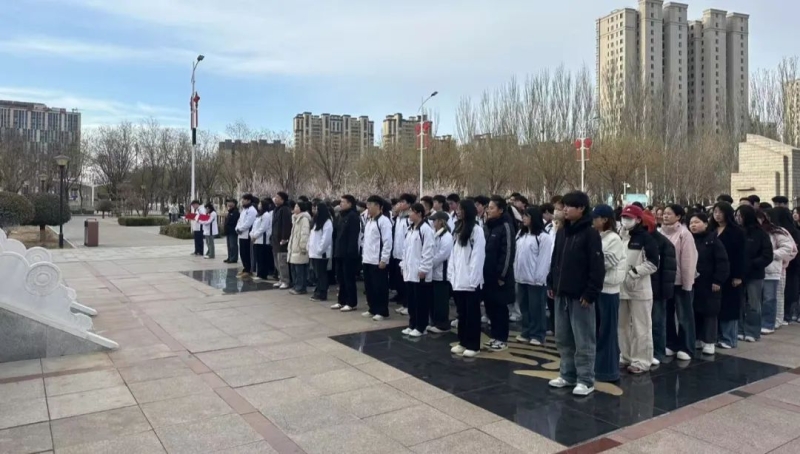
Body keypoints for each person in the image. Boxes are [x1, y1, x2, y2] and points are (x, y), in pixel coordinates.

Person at [547, 191, 605, 396]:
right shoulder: (562, 232)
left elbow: (597, 267)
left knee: (583, 340)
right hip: (561, 293)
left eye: (569, 206)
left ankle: (586, 379)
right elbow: (555, 260)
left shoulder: (590, 234)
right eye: (564, 206)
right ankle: (567, 374)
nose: (564, 209)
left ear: (581, 208)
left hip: (581, 296)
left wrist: (590, 293)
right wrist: (551, 282)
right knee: (563, 338)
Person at [618, 204, 659, 374]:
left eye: (629, 218)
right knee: (622, 326)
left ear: (638, 220)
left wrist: (634, 273)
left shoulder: (646, 238)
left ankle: (642, 360)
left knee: (641, 327)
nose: (625, 220)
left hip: (639, 289)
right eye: (623, 217)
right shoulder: (620, 236)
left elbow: (653, 263)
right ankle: (625, 355)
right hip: (621, 288)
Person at [592, 204, 626, 381]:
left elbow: (607, 262)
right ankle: (597, 367)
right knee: (597, 330)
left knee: (607, 332)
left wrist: (590, 258)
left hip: (609, 290)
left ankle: (608, 370)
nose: (592, 221)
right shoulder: (596, 236)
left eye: (595, 218)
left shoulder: (613, 239)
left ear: (605, 219)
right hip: (597, 289)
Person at [448, 200, 486, 358]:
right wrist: (451, 274)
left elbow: (478, 256)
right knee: (461, 314)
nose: (458, 211)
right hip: (458, 280)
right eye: (458, 209)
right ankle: (462, 341)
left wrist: (473, 279)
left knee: (472, 315)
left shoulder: (477, 230)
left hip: (470, 282)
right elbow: (454, 254)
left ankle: (473, 345)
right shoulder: (458, 229)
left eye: (461, 209)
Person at [661, 204, 698, 361]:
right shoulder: (659, 232)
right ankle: (671, 343)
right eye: (664, 213)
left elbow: (688, 260)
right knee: (667, 314)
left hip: (681, 281)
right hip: (665, 281)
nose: (665, 216)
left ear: (678, 217)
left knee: (684, 316)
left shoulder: (684, 234)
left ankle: (687, 347)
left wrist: (687, 283)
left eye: (669, 213)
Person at [688, 212, 729, 356]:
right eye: (691, 223)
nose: (693, 225)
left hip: (710, 282)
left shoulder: (713, 241)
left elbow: (722, 262)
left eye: (697, 222)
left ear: (705, 224)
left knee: (710, 312)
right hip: (693, 282)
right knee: (695, 311)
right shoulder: (689, 240)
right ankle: (698, 338)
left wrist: (718, 280)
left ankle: (710, 341)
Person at [514, 205, 554, 347]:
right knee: (524, 307)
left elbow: (544, 260)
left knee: (536, 308)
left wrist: (539, 278)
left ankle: (538, 334)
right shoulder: (521, 234)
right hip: (521, 277)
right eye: (523, 215)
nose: (524, 218)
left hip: (535, 280)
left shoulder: (543, 237)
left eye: (527, 216)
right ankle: (526, 331)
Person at [708, 202, 746, 349]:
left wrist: (738, 276)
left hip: (731, 273)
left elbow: (741, 255)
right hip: (714, 273)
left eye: (720, 212)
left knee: (730, 306)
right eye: (715, 212)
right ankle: (717, 336)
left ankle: (729, 338)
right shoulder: (711, 230)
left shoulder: (736, 232)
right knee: (716, 306)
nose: (717, 215)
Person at [641, 210, 676, 365]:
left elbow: (668, 271)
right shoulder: (636, 239)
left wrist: (664, 292)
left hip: (657, 290)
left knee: (657, 323)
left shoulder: (663, 243)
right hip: (639, 289)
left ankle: (658, 352)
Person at [482, 196, 516, 352]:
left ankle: (502, 339)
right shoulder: (489, 226)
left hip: (500, 277)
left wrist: (502, 275)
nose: (488, 210)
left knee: (500, 308)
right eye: (488, 208)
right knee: (490, 307)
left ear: (501, 210)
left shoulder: (506, 226)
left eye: (492, 208)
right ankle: (494, 336)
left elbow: (508, 253)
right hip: (487, 275)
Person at [736, 205, 773, 342]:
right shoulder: (737, 231)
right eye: (736, 215)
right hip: (738, 274)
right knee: (738, 303)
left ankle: (752, 331)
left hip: (754, 274)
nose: (738, 218)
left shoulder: (760, 233)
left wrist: (752, 264)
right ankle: (739, 329)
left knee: (753, 304)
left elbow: (767, 255)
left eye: (740, 216)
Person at [400, 203, 435, 337]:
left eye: (412, 212)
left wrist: (424, 268)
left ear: (419, 213)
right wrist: (403, 265)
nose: (409, 214)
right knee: (412, 300)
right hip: (409, 271)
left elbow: (428, 251)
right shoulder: (410, 229)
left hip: (420, 272)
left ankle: (421, 326)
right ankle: (412, 324)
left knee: (421, 301)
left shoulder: (425, 229)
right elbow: (405, 249)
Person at [758, 209, 795, 334]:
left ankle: (772, 322)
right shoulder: (752, 231)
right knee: (758, 299)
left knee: (772, 297)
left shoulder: (777, 231)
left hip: (772, 269)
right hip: (756, 269)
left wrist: (770, 255)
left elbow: (789, 248)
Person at [362, 195, 393, 320]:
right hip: (367, 258)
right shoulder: (369, 221)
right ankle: (372, 308)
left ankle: (382, 310)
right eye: (367, 205)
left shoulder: (384, 221)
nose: (368, 208)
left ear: (378, 206)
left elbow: (387, 242)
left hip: (377, 260)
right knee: (369, 286)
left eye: (370, 205)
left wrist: (384, 259)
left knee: (379, 287)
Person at [771, 207, 800, 325]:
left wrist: (783, 259)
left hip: (789, 266)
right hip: (785, 266)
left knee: (785, 292)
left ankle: (784, 315)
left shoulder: (786, 232)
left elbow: (793, 250)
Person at [333, 195, 361, 311]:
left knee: (349, 278)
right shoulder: (341, 215)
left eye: (343, 202)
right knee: (341, 278)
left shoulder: (353, 217)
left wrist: (350, 252)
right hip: (339, 251)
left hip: (348, 253)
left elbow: (353, 237)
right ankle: (341, 301)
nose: (341, 204)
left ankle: (351, 302)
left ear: (350, 204)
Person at [428, 211, 453, 333]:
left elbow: (443, 254)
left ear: (441, 221)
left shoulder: (446, 236)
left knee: (441, 300)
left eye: (435, 220)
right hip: (433, 273)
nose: (433, 223)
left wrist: (430, 263)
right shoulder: (435, 234)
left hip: (442, 273)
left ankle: (443, 324)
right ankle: (435, 321)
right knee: (433, 300)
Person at [390, 194, 415, 312]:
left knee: (406, 282)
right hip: (397, 252)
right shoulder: (399, 217)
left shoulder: (408, 218)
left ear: (409, 204)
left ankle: (408, 305)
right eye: (399, 202)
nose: (400, 204)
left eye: (403, 202)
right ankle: (403, 301)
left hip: (404, 254)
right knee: (399, 281)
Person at [308, 202, 334, 302]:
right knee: (317, 274)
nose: (314, 211)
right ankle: (318, 291)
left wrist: (320, 250)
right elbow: (312, 236)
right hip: (314, 252)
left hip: (321, 254)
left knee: (321, 274)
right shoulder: (316, 221)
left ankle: (322, 293)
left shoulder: (327, 222)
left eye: (316, 209)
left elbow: (326, 239)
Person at [287, 201, 312, 295]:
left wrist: (302, 246)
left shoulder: (304, 219)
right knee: (295, 269)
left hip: (300, 248)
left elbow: (304, 234)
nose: (295, 208)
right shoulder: (295, 218)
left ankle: (300, 287)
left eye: (297, 207)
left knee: (300, 270)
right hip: (294, 247)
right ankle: (296, 286)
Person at [271, 192, 293, 289]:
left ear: (282, 199)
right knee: (277, 262)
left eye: (278, 197)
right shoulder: (277, 209)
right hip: (275, 239)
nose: (275, 199)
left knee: (282, 262)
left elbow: (286, 225)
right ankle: (281, 278)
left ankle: (285, 280)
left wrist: (284, 238)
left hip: (282, 240)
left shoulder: (285, 210)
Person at [234, 195, 257, 278]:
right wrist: (237, 228)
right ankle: (245, 268)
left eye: (244, 200)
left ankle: (248, 270)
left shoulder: (252, 210)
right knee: (242, 253)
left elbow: (248, 222)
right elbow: (239, 220)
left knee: (247, 253)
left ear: (249, 201)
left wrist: (241, 228)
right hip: (241, 234)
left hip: (247, 234)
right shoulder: (244, 210)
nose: (242, 201)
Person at [249, 200, 272, 282]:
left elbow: (263, 228)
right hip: (256, 240)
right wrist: (251, 234)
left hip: (262, 240)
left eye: (260, 204)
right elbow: (254, 226)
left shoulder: (266, 215)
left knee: (262, 258)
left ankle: (263, 274)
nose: (258, 205)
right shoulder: (259, 215)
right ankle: (259, 273)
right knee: (258, 257)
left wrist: (255, 235)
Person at [224, 199, 240, 264]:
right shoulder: (230, 211)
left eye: (230, 202)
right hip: (228, 231)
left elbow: (233, 221)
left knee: (233, 245)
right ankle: (230, 257)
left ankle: (234, 258)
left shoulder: (235, 212)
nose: (228, 204)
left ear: (234, 204)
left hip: (232, 230)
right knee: (229, 245)